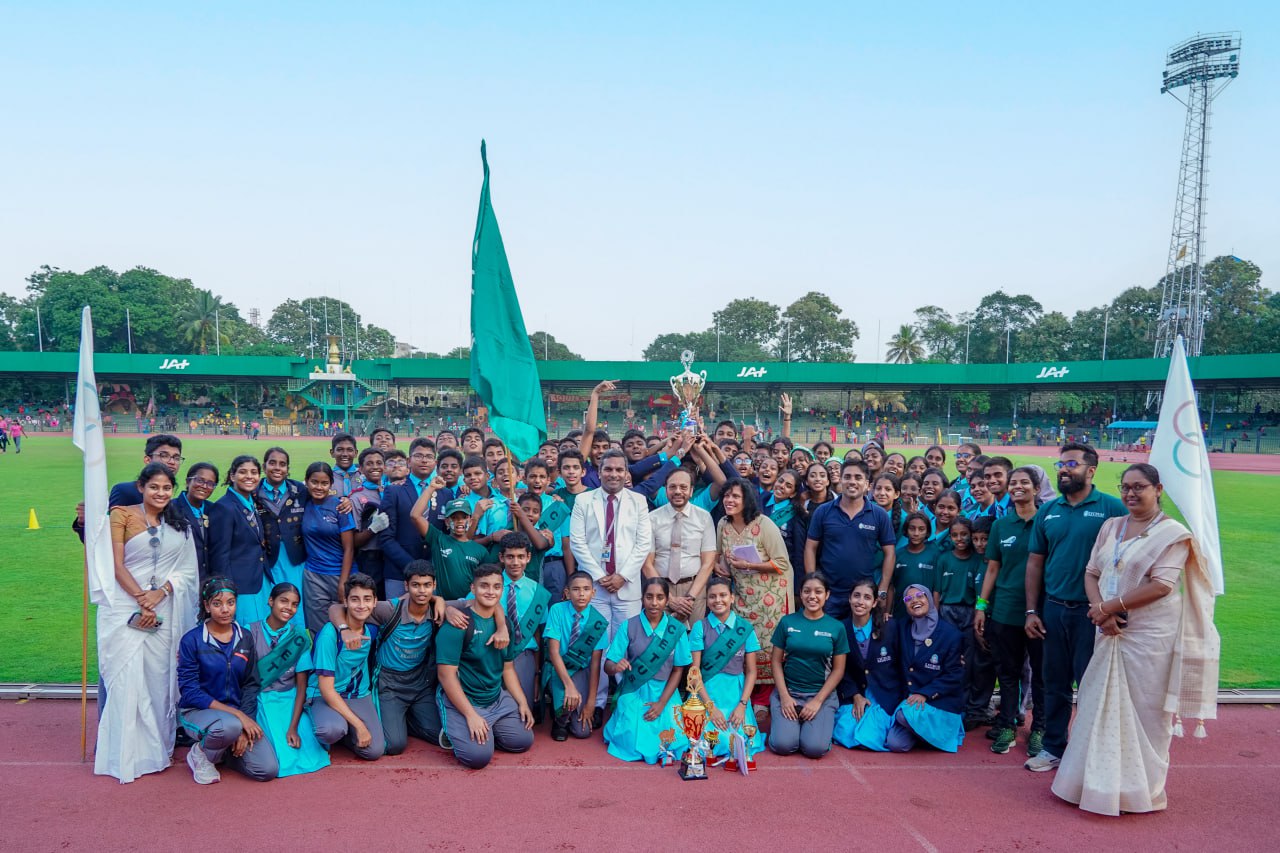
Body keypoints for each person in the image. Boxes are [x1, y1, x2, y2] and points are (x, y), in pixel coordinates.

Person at [1051, 463, 1221, 816]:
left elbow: (1162, 585)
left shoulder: (1172, 534)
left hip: (1148, 635)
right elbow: (1091, 572)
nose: (1130, 493)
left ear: (1158, 490)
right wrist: (1101, 610)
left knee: (1145, 711)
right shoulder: (1112, 526)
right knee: (1097, 704)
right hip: (1108, 629)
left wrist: (1109, 608)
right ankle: (1091, 783)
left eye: (1139, 486)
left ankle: (1137, 790)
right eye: (1125, 487)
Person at [1023, 443, 1127, 772]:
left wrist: (1113, 608)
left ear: (1091, 470)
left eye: (1071, 464)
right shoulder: (1048, 510)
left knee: (1092, 685)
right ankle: (1053, 747)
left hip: (1092, 613)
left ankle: (1091, 751)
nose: (1064, 470)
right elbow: (1035, 562)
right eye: (1060, 465)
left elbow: (1127, 561)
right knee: (1054, 683)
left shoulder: (1111, 508)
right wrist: (1031, 611)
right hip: (1053, 609)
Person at [95, 463, 199, 783]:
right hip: (124, 605)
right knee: (125, 680)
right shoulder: (121, 515)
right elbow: (114, 565)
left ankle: (156, 751)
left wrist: (161, 593)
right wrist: (143, 599)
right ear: (141, 487)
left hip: (164, 607)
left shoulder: (178, 524)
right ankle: (123, 756)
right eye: (154, 487)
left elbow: (187, 571)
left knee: (158, 680)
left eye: (167, 488)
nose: (160, 493)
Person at [569, 449, 655, 722]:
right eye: (608, 469)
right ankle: (597, 703)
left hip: (627, 588)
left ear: (626, 473)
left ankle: (626, 701)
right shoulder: (584, 500)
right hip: (594, 588)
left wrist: (623, 576)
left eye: (619, 469)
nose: (614, 474)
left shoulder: (638, 501)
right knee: (597, 646)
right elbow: (577, 542)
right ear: (599, 472)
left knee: (627, 646)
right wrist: (599, 576)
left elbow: (643, 543)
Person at [178, 578, 279, 784]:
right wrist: (239, 717)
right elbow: (190, 692)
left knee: (267, 769)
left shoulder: (245, 637)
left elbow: (251, 684)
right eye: (217, 604)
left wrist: (244, 725)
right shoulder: (191, 640)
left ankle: (224, 752)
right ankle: (200, 753)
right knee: (228, 726)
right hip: (197, 712)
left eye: (230, 603)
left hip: (234, 717)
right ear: (207, 606)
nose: (225, 609)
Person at [435, 564, 536, 769]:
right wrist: (471, 715)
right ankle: (455, 727)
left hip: (495, 698)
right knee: (478, 757)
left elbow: (508, 669)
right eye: (484, 586)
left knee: (523, 741)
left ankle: (486, 727)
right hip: (467, 699)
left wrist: (522, 702)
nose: (491, 591)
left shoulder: (504, 624)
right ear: (473, 588)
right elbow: (446, 676)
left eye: (496, 587)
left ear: (502, 590)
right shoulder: (458, 624)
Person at [975, 466, 1045, 756]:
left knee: (1041, 673)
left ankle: (1039, 728)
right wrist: (981, 606)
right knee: (1007, 672)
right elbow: (993, 568)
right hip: (1005, 609)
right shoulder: (1001, 525)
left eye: (1024, 482)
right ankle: (1007, 724)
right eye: (1014, 482)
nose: (1018, 487)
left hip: (1040, 611)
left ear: (1036, 489)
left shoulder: (1047, 521)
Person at [350, 561, 447, 756]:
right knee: (394, 745)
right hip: (389, 684)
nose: (422, 591)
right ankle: (396, 721)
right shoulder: (389, 609)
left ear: (434, 586)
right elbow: (337, 608)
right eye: (416, 585)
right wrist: (344, 629)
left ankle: (405, 719)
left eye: (427, 585)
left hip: (419, 683)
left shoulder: (437, 609)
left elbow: (473, 604)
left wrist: (444, 603)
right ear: (406, 586)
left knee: (443, 735)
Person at [716, 478, 793, 717]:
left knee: (768, 645)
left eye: (735, 496)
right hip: (741, 595)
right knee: (745, 643)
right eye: (726, 495)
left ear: (746, 499)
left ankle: (764, 700)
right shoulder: (723, 524)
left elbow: (782, 563)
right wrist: (720, 567)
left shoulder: (764, 524)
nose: (729, 500)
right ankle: (745, 694)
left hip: (771, 596)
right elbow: (720, 556)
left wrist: (749, 565)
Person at [602, 578, 692, 764]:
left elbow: (678, 670)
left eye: (660, 597)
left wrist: (661, 703)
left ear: (667, 600)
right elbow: (608, 665)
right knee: (630, 740)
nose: (654, 603)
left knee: (674, 739)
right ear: (642, 598)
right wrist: (615, 667)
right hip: (635, 690)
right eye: (649, 597)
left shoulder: (677, 630)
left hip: (665, 692)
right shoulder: (629, 626)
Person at [249, 583, 329, 777]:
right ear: (270, 601)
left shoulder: (299, 637)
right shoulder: (250, 631)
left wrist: (293, 727)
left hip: (290, 699)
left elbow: (301, 686)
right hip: (261, 699)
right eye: (283, 601)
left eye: (294, 604)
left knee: (309, 753)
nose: (289, 608)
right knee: (277, 755)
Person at [768, 573, 848, 759]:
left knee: (814, 749)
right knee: (783, 745)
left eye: (818, 592)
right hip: (790, 694)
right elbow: (775, 661)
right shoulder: (787, 622)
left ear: (827, 595)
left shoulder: (836, 627)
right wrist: (785, 697)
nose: (812, 596)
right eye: (807, 591)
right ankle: (789, 727)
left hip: (820, 696)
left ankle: (813, 726)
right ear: (801, 594)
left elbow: (838, 670)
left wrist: (817, 701)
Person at [307, 573, 386, 761]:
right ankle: (319, 720)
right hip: (325, 694)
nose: (361, 605)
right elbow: (327, 690)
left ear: (375, 602)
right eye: (355, 599)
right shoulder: (330, 635)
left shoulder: (372, 627)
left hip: (357, 694)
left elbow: (408, 601)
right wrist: (359, 726)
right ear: (346, 601)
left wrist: (438, 601)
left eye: (367, 599)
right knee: (331, 731)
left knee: (375, 751)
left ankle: (346, 731)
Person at [805, 459, 896, 621]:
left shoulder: (879, 515)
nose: (852, 481)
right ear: (840, 480)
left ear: (867, 484)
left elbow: (890, 553)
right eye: (847, 477)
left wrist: (882, 589)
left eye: (858, 477)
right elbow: (810, 548)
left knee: (860, 636)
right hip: (830, 593)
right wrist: (813, 583)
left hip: (862, 595)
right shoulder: (823, 511)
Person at [689, 576, 766, 761]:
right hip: (708, 693)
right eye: (712, 596)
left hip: (736, 694)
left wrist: (742, 705)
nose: (718, 600)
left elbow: (751, 671)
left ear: (732, 598)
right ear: (707, 600)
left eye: (723, 595)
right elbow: (694, 673)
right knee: (713, 741)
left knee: (741, 740)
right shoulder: (700, 627)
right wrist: (711, 708)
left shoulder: (744, 628)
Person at [884, 584, 965, 753]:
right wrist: (882, 615)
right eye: (908, 598)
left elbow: (955, 675)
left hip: (938, 701)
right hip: (912, 702)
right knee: (895, 744)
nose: (915, 600)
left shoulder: (951, 634)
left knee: (902, 715)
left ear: (929, 598)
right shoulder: (902, 627)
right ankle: (929, 735)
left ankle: (938, 731)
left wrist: (925, 693)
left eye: (920, 595)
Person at [833, 578, 904, 751]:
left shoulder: (890, 627)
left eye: (867, 597)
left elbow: (901, 662)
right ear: (849, 598)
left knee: (868, 738)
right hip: (854, 692)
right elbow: (841, 669)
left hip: (882, 693)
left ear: (874, 603)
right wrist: (855, 695)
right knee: (845, 732)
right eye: (856, 596)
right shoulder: (840, 628)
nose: (860, 601)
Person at [208, 455, 277, 628]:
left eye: (254, 472)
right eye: (243, 472)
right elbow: (219, 554)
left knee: (264, 631)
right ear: (232, 476)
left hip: (259, 581)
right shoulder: (224, 507)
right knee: (247, 631)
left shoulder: (250, 502)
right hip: (241, 586)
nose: (249, 476)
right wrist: (225, 590)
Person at [543, 571, 609, 741]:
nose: (581, 594)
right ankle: (560, 721)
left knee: (582, 732)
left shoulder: (598, 621)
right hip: (558, 668)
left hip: (581, 670)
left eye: (586, 589)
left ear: (593, 592)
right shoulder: (557, 610)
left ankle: (568, 709)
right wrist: (569, 686)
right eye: (576, 589)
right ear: (567, 592)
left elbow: (595, 665)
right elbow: (553, 652)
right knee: (567, 699)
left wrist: (591, 703)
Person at [647, 468, 716, 627]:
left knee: (693, 639)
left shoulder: (703, 517)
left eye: (683, 487)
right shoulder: (652, 518)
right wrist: (669, 598)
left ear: (691, 491)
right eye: (672, 487)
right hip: (659, 591)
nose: (678, 491)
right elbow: (647, 563)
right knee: (660, 636)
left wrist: (690, 598)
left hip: (694, 589)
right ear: (665, 490)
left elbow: (708, 563)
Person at [378, 438, 444, 596]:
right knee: (397, 611)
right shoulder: (393, 491)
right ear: (409, 461)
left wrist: (429, 568)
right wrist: (412, 567)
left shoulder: (445, 493)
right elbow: (386, 538)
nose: (424, 460)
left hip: (433, 572)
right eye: (418, 456)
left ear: (435, 462)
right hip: (399, 572)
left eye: (429, 457)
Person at [299, 462, 356, 636]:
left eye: (324, 483)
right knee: (319, 630)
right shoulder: (302, 503)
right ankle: (320, 655)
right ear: (306, 482)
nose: (319, 487)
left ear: (331, 484)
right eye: (314, 482)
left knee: (346, 625)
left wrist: (343, 583)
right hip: (314, 576)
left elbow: (349, 548)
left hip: (341, 573)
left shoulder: (340, 507)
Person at [256, 448, 308, 629]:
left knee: (294, 601)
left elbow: (322, 498)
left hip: (294, 558)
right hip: (267, 559)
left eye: (282, 464)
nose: (277, 468)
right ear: (264, 466)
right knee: (269, 602)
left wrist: (345, 501)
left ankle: (295, 641)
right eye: (272, 463)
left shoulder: (300, 490)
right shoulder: (253, 491)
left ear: (288, 468)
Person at [414, 494, 488, 600]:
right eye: (454, 518)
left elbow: (487, 581)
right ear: (447, 522)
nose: (460, 521)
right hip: (442, 604)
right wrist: (431, 488)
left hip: (470, 604)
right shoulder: (438, 539)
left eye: (464, 517)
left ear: (471, 521)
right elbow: (415, 516)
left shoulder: (481, 551)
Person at [174, 463, 218, 583]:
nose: (204, 486)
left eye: (210, 483)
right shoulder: (172, 508)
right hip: (180, 580)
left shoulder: (214, 509)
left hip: (208, 580)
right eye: (200, 480)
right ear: (188, 481)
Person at [890, 512, 938, 619]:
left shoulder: (934, 554)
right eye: (912, 528)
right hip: (901, 613)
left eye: (921, 529)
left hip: (926, 615)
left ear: (927, 532)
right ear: (906, 530)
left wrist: (935, 613)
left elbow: (937, 589)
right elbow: (891, 586)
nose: (916, 533)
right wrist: (887, 611)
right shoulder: (898, 554)